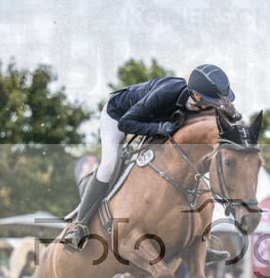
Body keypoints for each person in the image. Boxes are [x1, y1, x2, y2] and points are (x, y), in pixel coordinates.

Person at [60, 64, 236, 251]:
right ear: (197, 96)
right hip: (118, 115)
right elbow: (125, 123)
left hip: (151, 121)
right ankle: (79, 227)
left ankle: (195, 241)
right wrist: (158, 128)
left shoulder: (199, 107)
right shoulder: (168, 92)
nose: (217, 105)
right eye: (213, 101)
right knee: (109, 165)